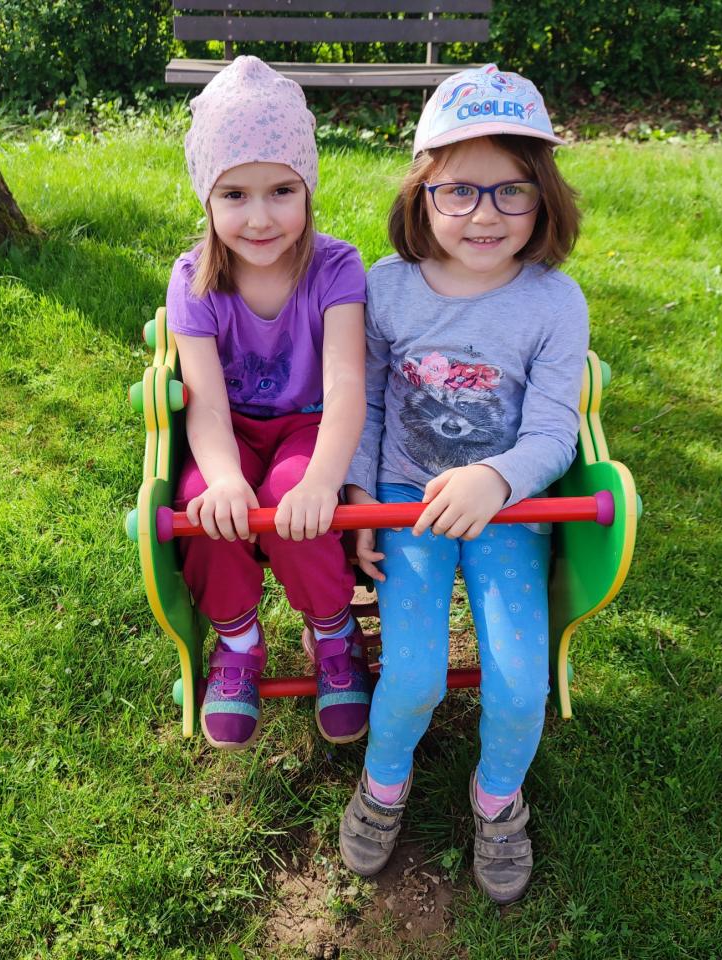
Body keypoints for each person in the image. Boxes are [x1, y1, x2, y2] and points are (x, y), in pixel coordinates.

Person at [338, 64, 588, 904]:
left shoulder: (555, 303)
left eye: (511, 190)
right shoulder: (386, 286)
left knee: (519, 685)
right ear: (422, 193)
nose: (485, 214)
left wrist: (495, 478)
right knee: (413, 675)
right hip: (405, 501)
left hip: (508, 511)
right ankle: (383, 785)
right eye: (460, 191)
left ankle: (498, 800)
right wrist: (363, 503)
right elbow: (367, 400)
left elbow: (552, 432)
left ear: (544, 197)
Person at [167, 56, 371, 751]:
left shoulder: (336, 267)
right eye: (235, 194)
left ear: (308, 188)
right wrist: (224, 478)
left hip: (309, 426)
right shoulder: (193, 279)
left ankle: (333, 630)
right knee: (204, 504)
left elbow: (346, 386)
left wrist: (321, 480)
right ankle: (237, 640)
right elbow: (204, 403)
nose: (259, 218)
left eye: (282, 190)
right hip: (230, 429)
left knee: (294, 500)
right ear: (207, 198)